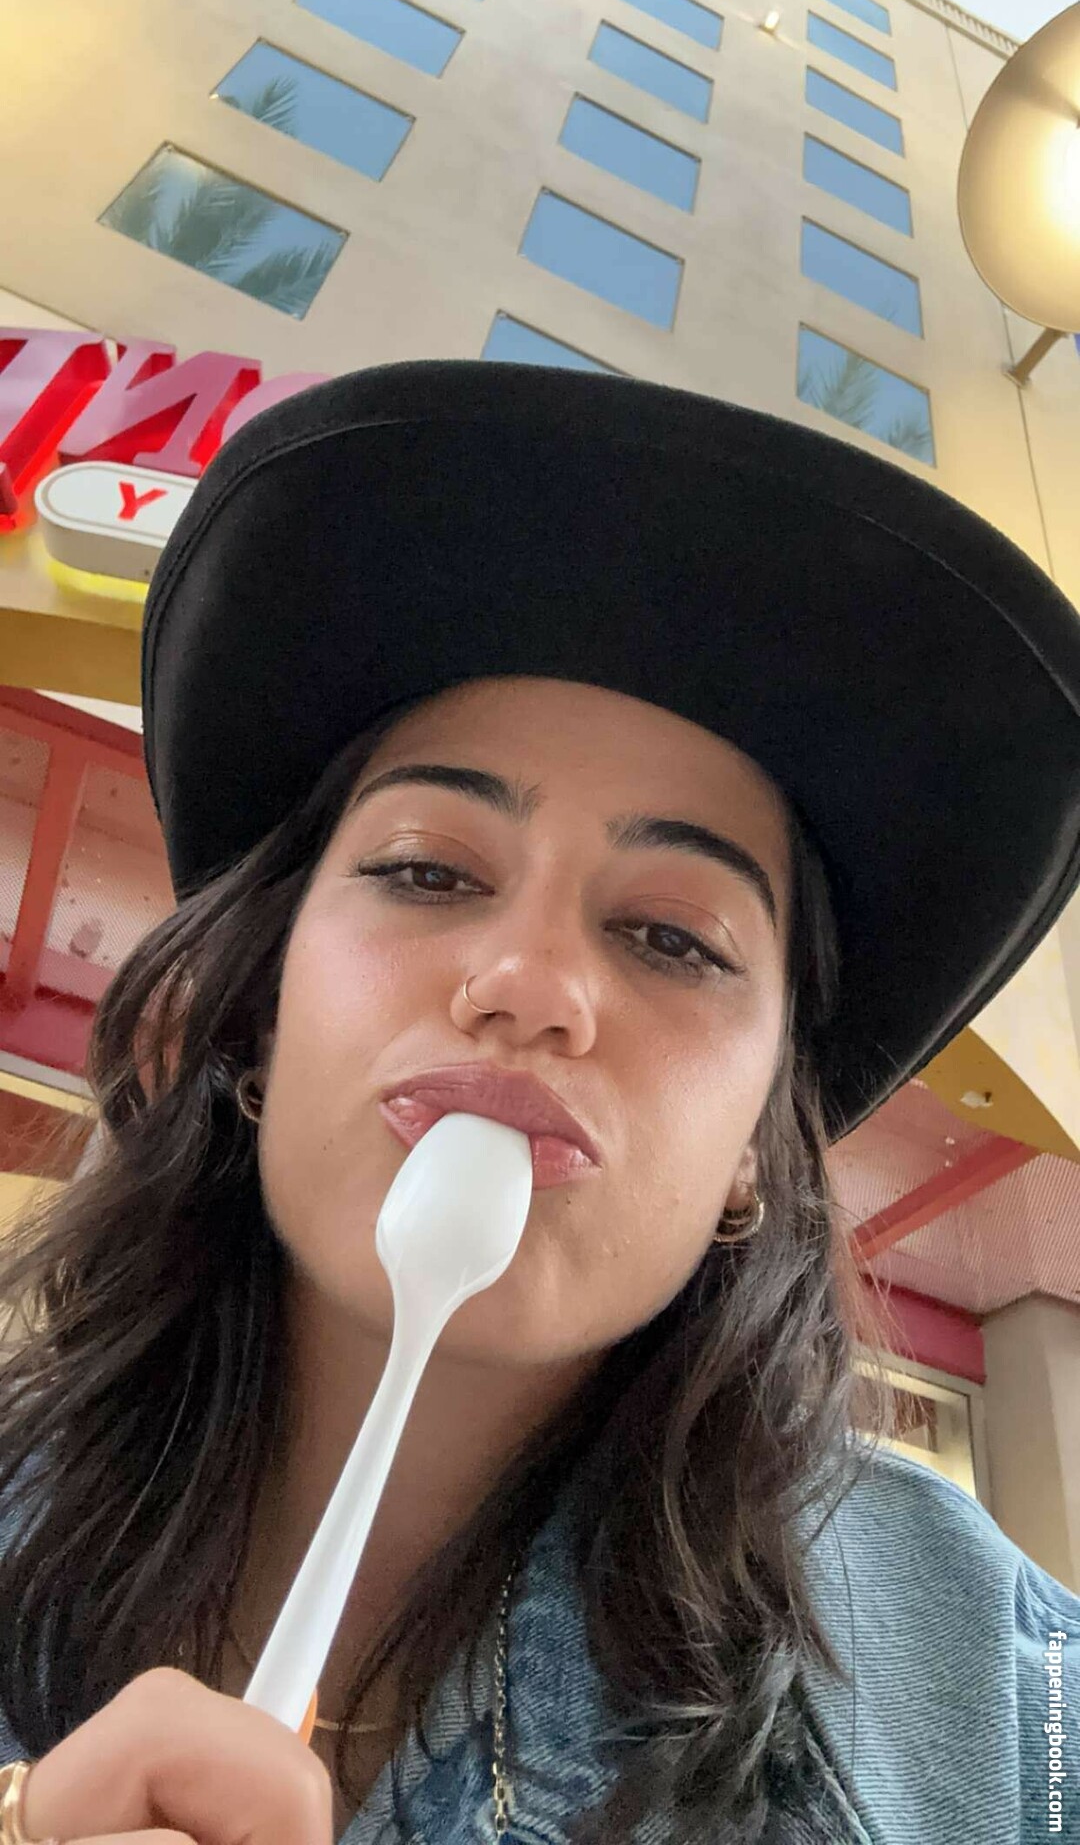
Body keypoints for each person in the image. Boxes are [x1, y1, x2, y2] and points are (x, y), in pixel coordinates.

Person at [0, 360, 1078, 1845]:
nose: (530, 984)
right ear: (258, 1014)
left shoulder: (1005, 1697)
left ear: (755, 1154)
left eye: (673, 939)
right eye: (427, 871)